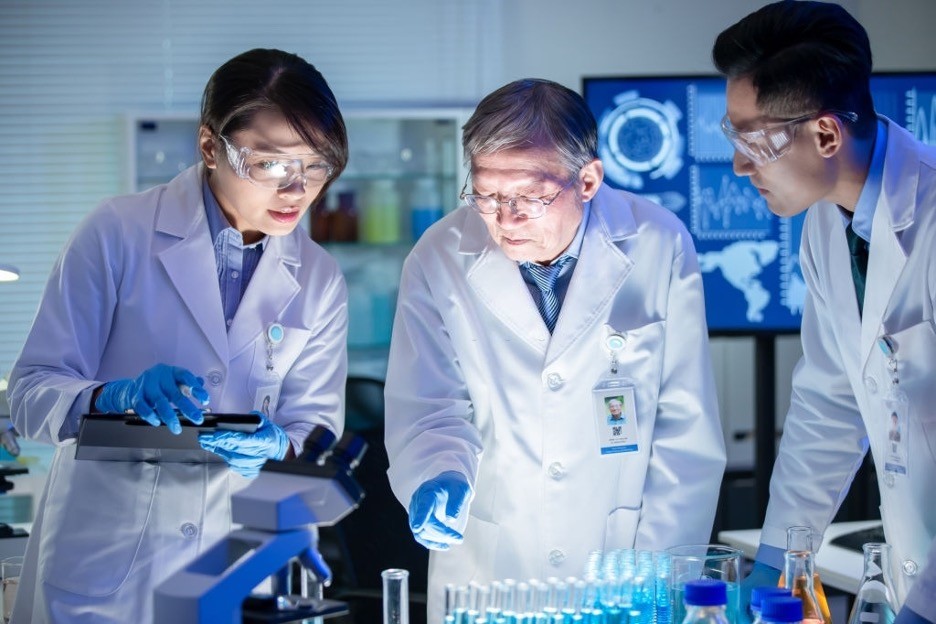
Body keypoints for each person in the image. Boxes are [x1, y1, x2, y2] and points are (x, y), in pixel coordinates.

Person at [7, 48, 349, 623]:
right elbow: (30, 394)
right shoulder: (117, 232)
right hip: (108, 567)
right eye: (270, 164)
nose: (297, 188)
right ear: (210, 146)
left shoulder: (318, 278)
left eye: (315, 165)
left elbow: (313, 434)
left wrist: (276, 447)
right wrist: (108, 398)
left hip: (236, 563)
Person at [383, 78, 726, 623]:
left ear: (587, 180)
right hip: (490, 572)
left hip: (622, 562)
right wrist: (436, 474)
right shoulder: (439, 255)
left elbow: (685, 433)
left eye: (530, 197)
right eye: (487, 195)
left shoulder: (658, 242)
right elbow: (428, 409)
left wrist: (653, 582)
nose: (504, 217)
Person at [712, 3, 936, 622]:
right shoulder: (826, 222)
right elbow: (831, 402)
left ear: (828, 135)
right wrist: (781, 555)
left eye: (751, 140)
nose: (738, 164)